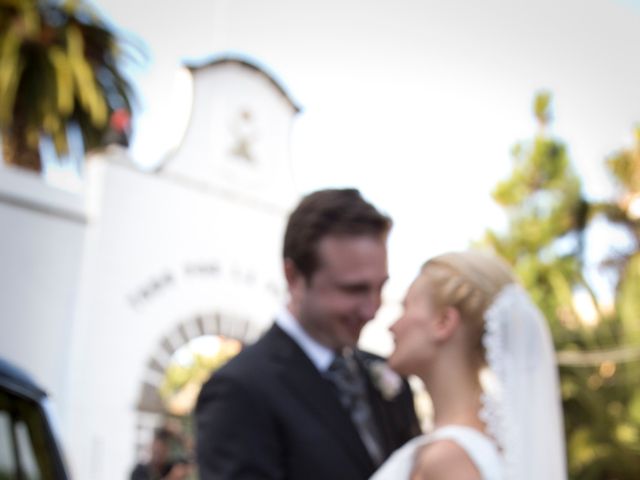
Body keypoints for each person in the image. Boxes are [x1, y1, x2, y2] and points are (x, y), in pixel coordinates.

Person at [196, 188, 421, 479]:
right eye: (353, 289)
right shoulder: (240, 390)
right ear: (294, 278)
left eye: (380, 287)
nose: (372, 309)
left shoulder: (389, 378)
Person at [371, 249, 567, 480]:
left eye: (406, 307)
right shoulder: (485, 444)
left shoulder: (449, 459)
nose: (392, 326)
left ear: (444, 322)